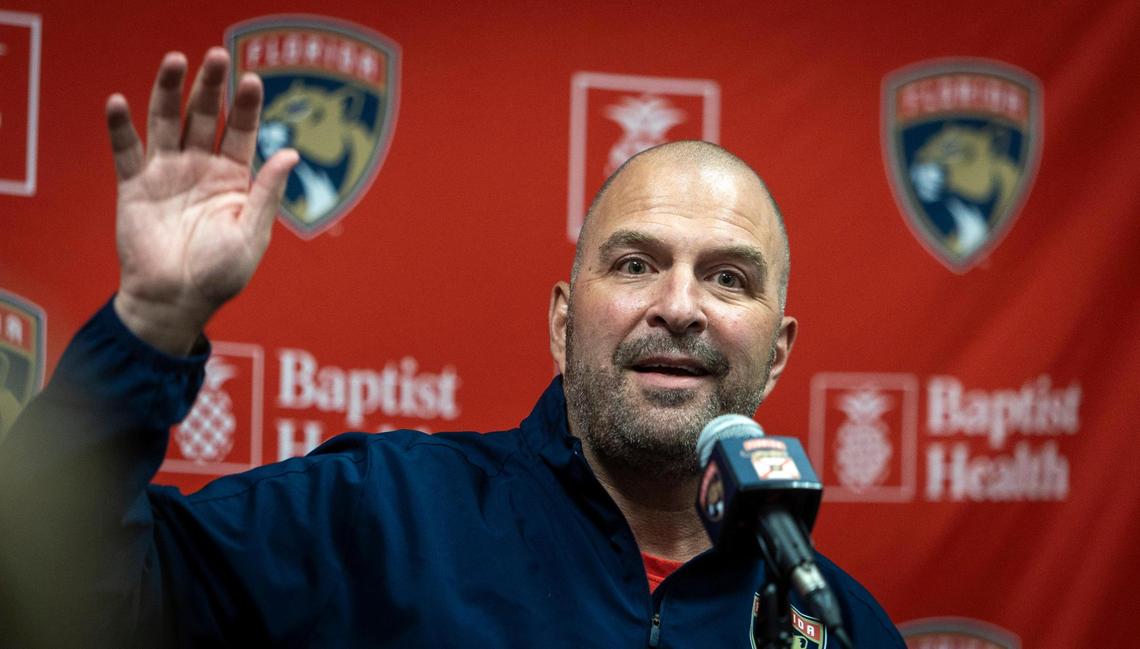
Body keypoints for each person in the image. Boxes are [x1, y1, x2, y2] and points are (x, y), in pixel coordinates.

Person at [0, 49, 905, 648]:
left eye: (729, 278)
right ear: (562, 324)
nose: (678, 306)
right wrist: (149, 325)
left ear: (778, 351)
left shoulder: (837, 623)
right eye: (635, 264)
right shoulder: (381, 517)